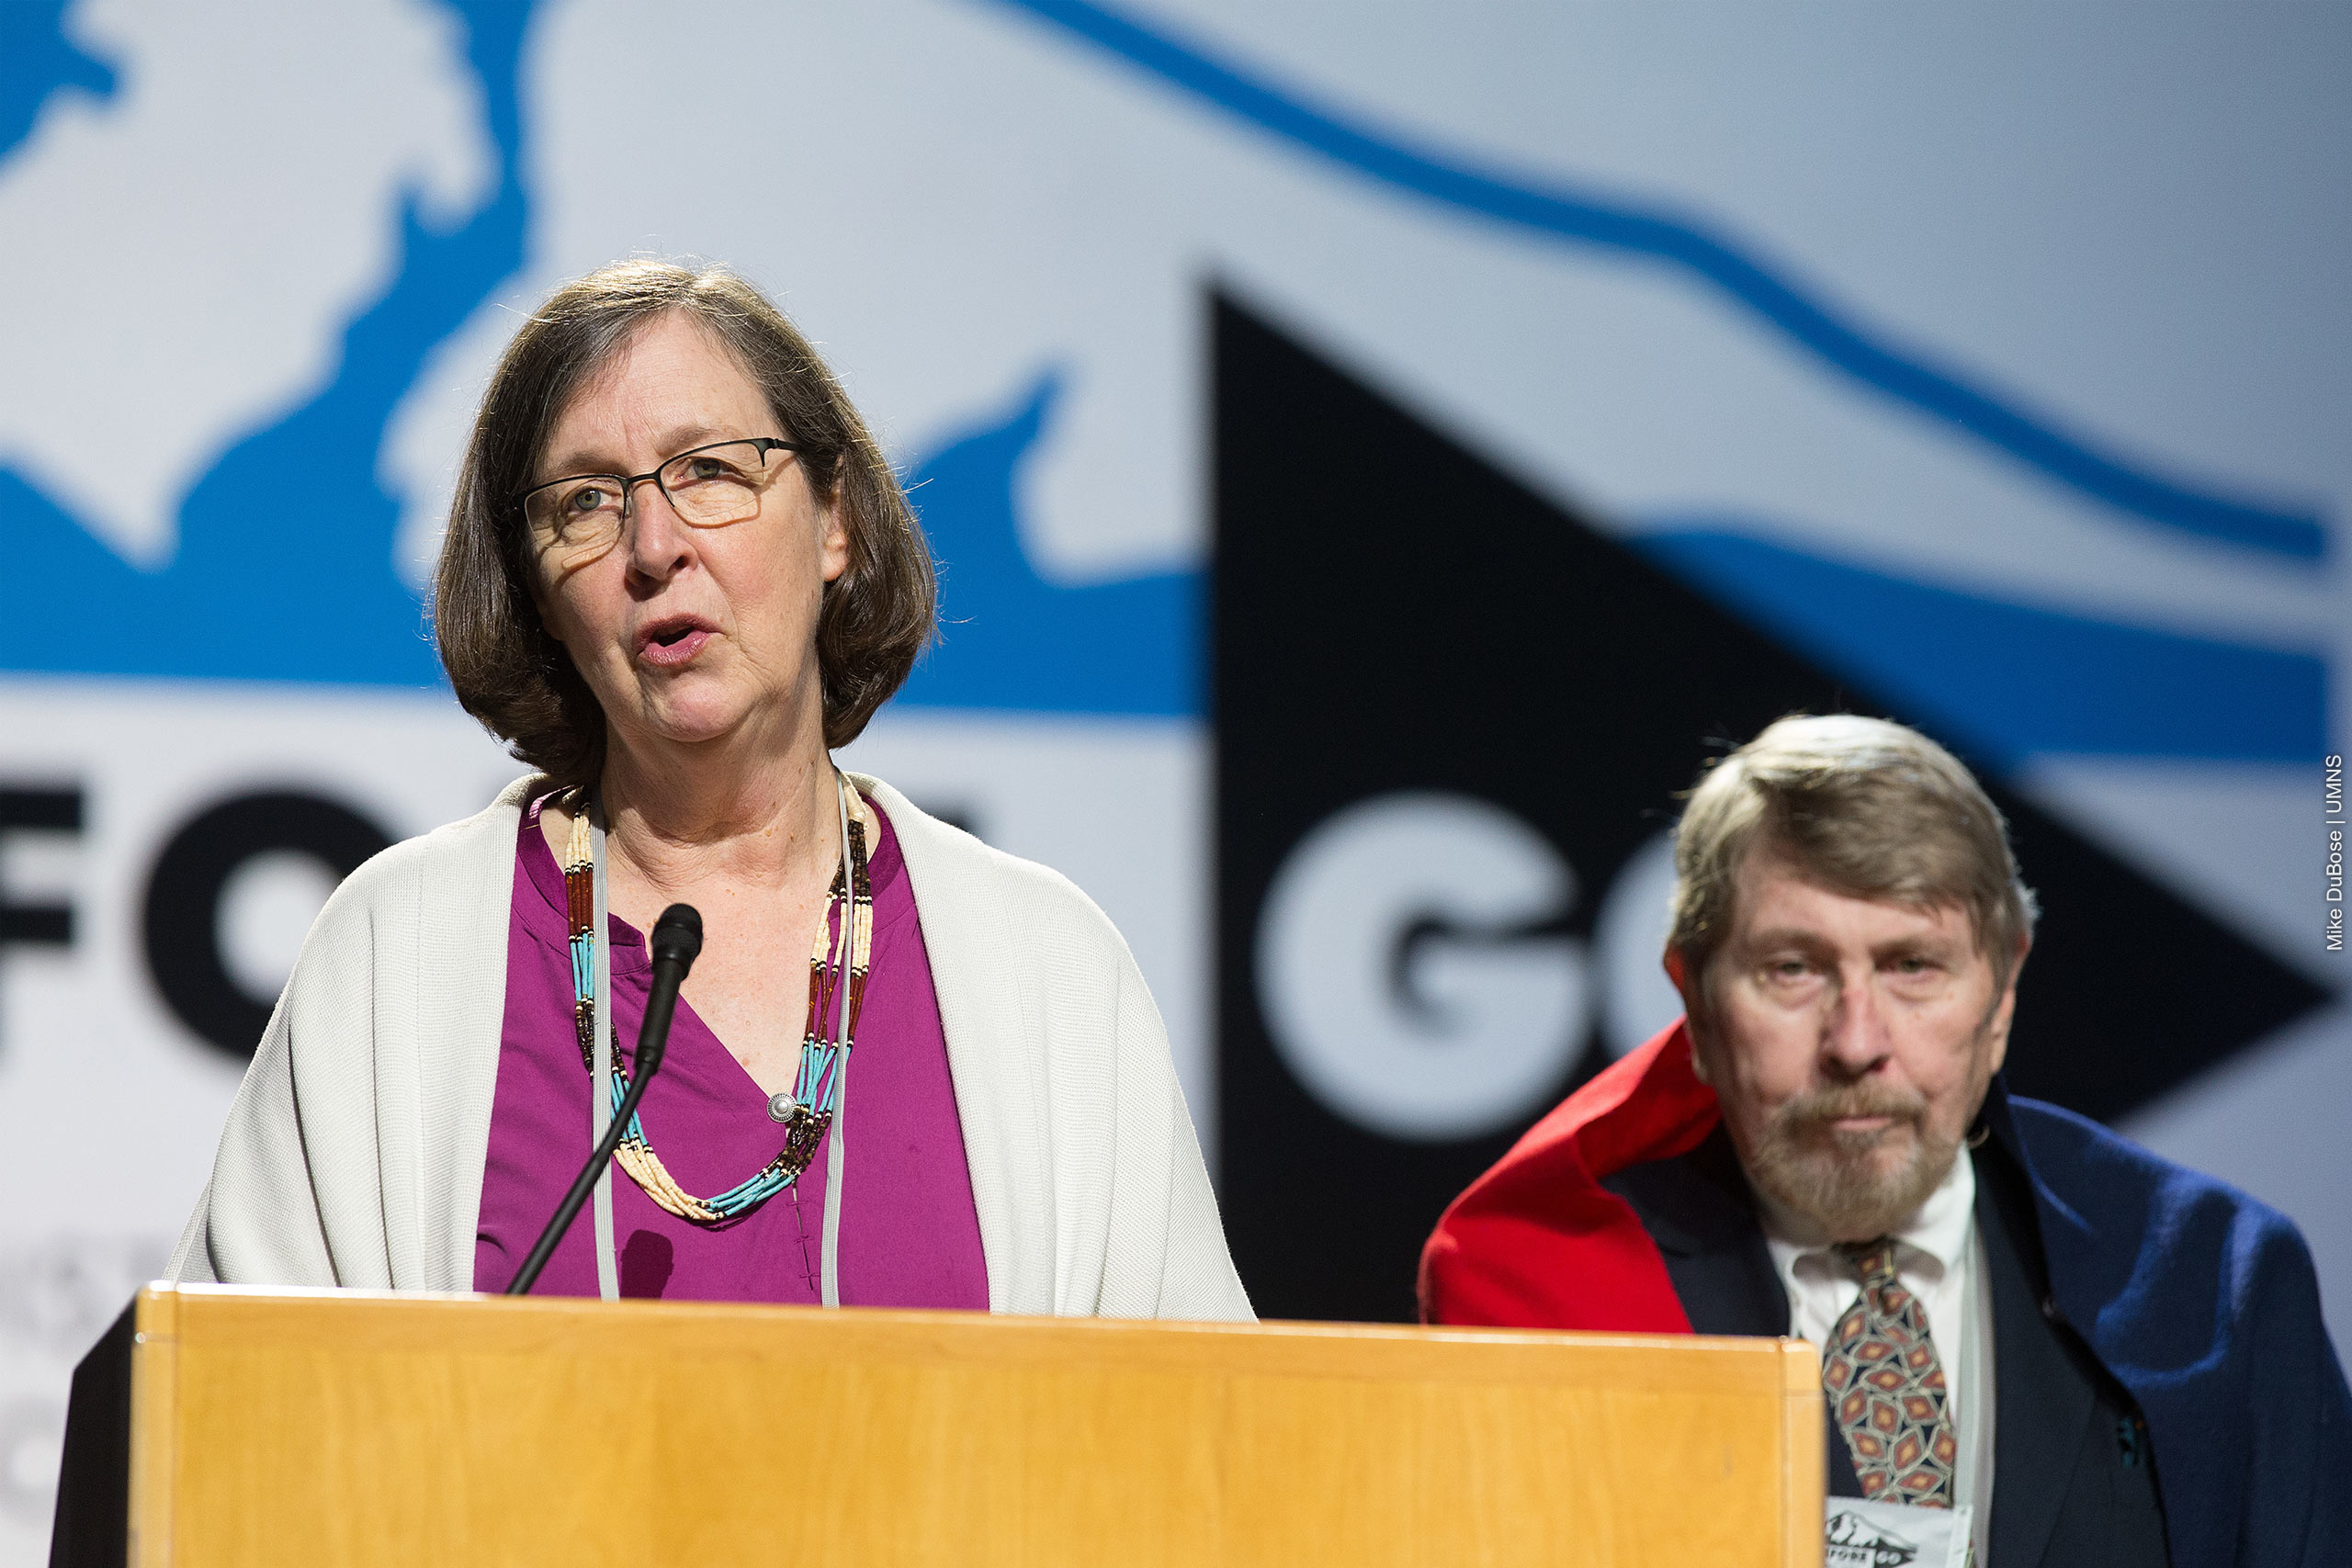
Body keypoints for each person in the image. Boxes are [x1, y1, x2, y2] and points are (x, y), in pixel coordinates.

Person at [168, 259, 1249, 1320]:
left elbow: (1209, 1448)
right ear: (540, 595)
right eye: (584, 503)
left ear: (836, 522)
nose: (654, 547)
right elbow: (234, 1423)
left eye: (710, 472)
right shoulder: (394, 955)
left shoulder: (1047, 968)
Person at [1420, 716, 2348, 1567]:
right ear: (1694, 1002)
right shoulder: (1558, 1303)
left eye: (1912, 966)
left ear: (2002, 992)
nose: (1857, 1042)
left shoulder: (2214, 1280)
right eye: (1792, 969)